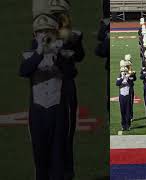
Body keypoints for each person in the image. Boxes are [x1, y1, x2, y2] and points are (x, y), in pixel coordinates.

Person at [20, 14, 68, 180]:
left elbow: (70, 73)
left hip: (58, 110)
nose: (44, 35)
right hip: (38, 111)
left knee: (58, 158)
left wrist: (58, 55)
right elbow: (24, 71)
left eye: (48, 31)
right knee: (40, 158)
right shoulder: (29, 55)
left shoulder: (63, 52)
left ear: (55, 33)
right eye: (40, 32)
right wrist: (40, 51)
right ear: (35, 35)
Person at [47, 1, 86, 179]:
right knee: (50, 134)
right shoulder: (44, 36)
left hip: (66, 87)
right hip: (48, 89)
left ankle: (66, 172)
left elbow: (80, 56)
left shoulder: (73, 36)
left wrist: (72, 43)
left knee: (67, 131)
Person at [116, 66, 134, 131]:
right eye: (122, 72)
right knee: (122, 111)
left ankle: (128, 125)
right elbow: (117, 84)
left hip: (128, 96)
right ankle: (123, 125)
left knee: (128, 111)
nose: (124, 73)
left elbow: (131, 84)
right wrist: (122, 78)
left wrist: (127, 78)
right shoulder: (119, 78)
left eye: (125, 72)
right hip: (121, 96)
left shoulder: (130, 78)